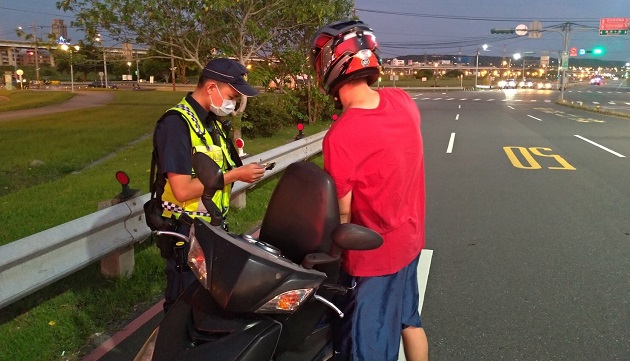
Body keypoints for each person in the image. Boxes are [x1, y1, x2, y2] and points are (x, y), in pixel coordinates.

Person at [310, 20, 429, 360]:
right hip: (409, 241)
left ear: (330, 66)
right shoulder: (402, 100)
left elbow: (342, 217)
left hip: (372, 261)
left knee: (366, 350)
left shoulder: (342, 135)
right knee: (409, 321)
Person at [151, 57, 265, 313]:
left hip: (211, 231)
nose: (233, 103)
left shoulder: (212, 123)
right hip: (185, 233)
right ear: (211, 88)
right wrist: (236, 176)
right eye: (231, 95)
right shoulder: (176, 125)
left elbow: (218, 171)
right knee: (183, 310)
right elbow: (181, 189)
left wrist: (238, 171)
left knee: (206, 311)